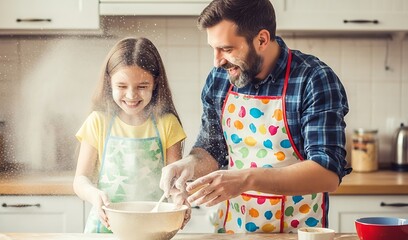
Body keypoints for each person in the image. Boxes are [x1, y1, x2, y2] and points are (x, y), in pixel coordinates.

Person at [160, 0, 351, 234]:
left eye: (227, 49)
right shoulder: (220, 78)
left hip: (296, 232)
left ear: (261, 39)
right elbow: (212, 149)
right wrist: (187, 165)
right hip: (232, 230)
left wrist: (247, 179)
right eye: (214, 48)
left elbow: (327, 173)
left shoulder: (313, 79)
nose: (217, 61)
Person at [73, 37, 187, 233]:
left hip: (151, 228)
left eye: (142, 86)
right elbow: (80, 180)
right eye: (122, 86)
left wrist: (179, 200)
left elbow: (174, 184)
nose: (132, 95)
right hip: (105, 227)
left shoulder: (167, 124)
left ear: (155, 83)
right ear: (110, 82)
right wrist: (93, 194)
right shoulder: (98, 122)